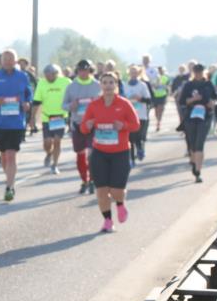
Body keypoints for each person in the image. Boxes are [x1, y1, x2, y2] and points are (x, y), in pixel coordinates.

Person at [79, 71, 140, 233]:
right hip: (99, 152)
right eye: (105, 82)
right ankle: (107, 220)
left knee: (116, 191)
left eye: (111, 82)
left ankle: (120, 204)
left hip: (120, 152)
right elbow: (83, 128)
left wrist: (123, 126)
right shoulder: (94, 105)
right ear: (101, 86)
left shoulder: (124, 104)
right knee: (101, 191)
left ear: (116, 85)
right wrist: (89, 124)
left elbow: (136, 125)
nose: (108, 86)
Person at [0, 49, 32, 201]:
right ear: (1, 61)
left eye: (11, 58)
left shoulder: (22, 77)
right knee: (4, 157)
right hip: (0, 122)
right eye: (5, 58)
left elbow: (28, 94)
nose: (8, 61)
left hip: (16, 123)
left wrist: (27, 103)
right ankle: (9, 178)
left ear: (16, 61)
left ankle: (9, 187)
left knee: (11, 156)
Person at [62, 59, 101, 194]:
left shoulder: (97, 85)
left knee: (92, 154)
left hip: (93, 125)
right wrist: (71, 106)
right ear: (77, 71)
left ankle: (92, 179)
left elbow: (105, 102)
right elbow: (64, 105)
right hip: (77, 124)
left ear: (90, 70)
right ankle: (84, 180)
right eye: (80, 70)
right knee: (80, 154)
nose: (83, 73)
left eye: (86, 70)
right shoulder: (71, 86)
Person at [178, 63, 217, 183]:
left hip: (205, 116)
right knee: (192, 143)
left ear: (203, 72)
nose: (198, 74)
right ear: (193, 72)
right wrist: (194, 99)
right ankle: (193, 161)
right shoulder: (188, 85)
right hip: (190, 116)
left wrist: (212, 103)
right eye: (196, 72)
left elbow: (215, 98)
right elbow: (182, 101)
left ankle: (198, 171)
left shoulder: (208, 84)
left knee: (200, 143)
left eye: (200, 71)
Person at [34, 63, 70, 174]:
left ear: (56, 74)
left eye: (50, 75)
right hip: (47, 117)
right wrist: (32, 119)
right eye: (46, 75)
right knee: (47, 142)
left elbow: (74, 96)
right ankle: (49, 153)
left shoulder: (66, 82)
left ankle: (55, 165)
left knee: (57, 141)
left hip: (60, 116)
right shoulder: (41, 83)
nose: (48, 77)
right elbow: (36, 102)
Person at [124, 65, 153, 164]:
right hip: (129, 115)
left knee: (138, 136)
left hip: (141, 114)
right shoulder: (125, 85)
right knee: (130, 138)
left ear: (138, 73)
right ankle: (131, 159)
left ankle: (140, 148)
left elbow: (149, 100)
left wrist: (140, 98)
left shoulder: (142, 85)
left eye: (135, 72)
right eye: (131, 72)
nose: (133, 74)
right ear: (129, 73)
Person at [152, 65, 170, 132]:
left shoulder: (165, 78)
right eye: (159, 70)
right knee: (156, 111)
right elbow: (152, 85)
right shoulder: (155, 77)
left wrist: (167, 93)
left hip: (163, 95)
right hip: (155, 96)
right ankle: (158, 120)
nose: (160, 71)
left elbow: (168, 86)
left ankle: (158, 123)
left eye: (161, 70)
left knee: (160, 109)